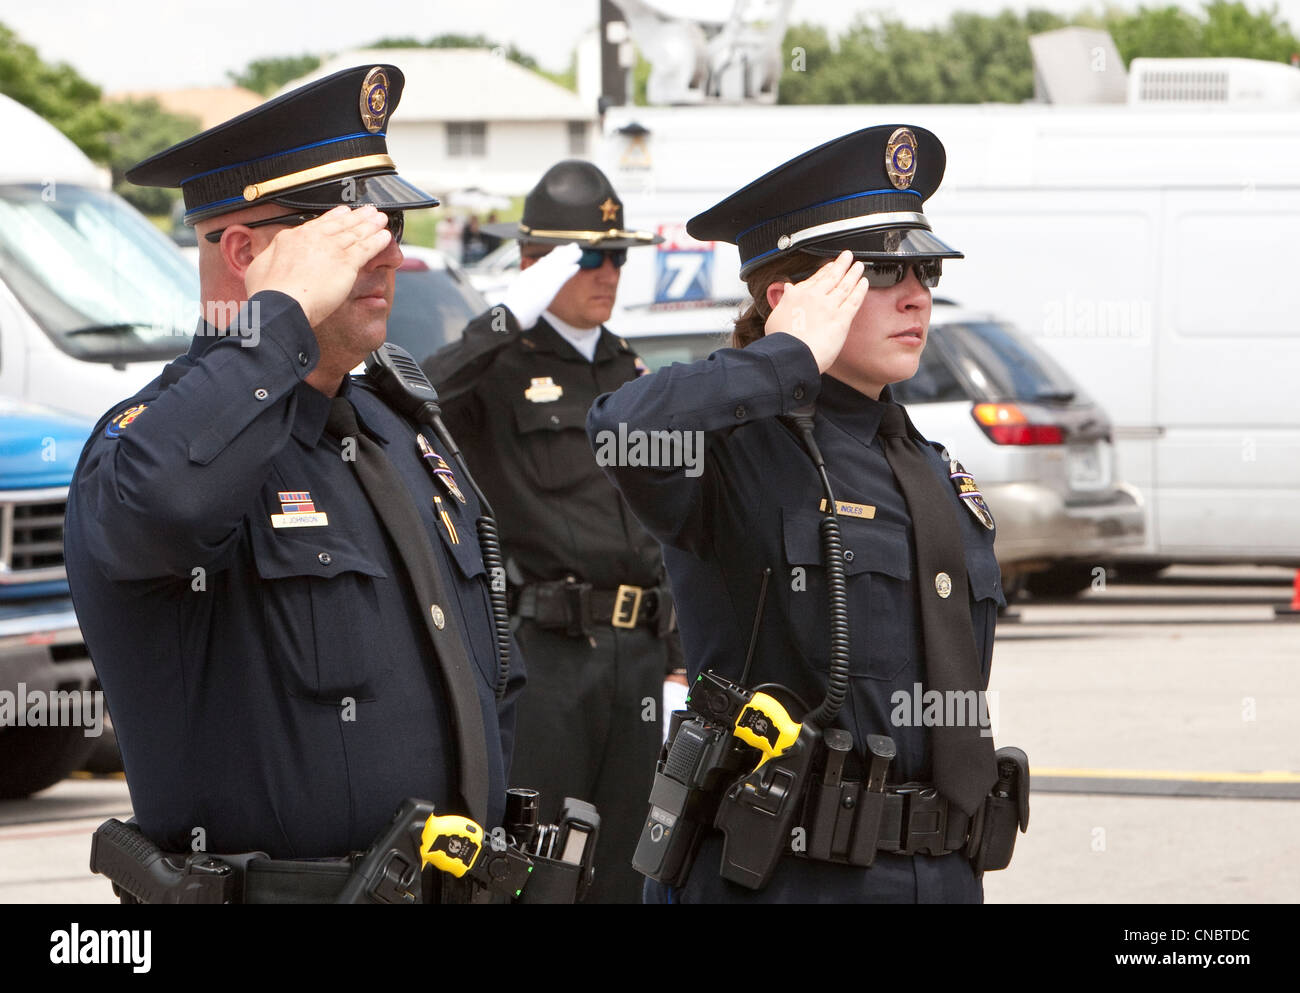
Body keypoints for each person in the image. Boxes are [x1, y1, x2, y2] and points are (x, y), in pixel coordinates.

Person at [63, 65, 524, 882]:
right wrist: (273, 320)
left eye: (391, 226)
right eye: (344, 232)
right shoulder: (148, 443)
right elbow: (162, 503)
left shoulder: (395, 425)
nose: (384, 252)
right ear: (244, 252)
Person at [589, 125, 1009, 903]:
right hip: (782, 875)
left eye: (924, 268)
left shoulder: (932, 470)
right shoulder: (737, 451)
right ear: (790, 297)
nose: (918, 292)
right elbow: (621, 430)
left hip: (943, 872)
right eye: (882, 271)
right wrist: (784, 356)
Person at [425, 160, 676, 904]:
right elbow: (415, 400)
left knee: (631, 869)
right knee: (537, 872)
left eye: (619, 255)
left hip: (638, 652)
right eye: (591, 256)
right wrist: (503, 319)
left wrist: (678, 654)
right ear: (536, 262)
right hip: (549, 657)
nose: (611, 271)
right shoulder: (498, 366)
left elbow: (663, 523)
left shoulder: (628, 369)